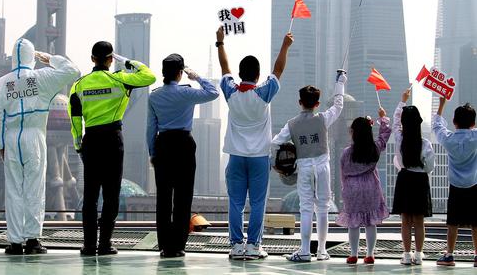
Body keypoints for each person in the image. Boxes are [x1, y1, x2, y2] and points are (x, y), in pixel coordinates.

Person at [0, 38, 80, 255]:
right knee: (35, 189)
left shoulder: (3, 82)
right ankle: (32, 240)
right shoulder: (42, 78)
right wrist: (50, 59)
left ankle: (14, 242)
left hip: (11, 139)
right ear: (33, 56)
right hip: (35, 137)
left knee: (13, 191)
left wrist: (0, 145)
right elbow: (72, 70)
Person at [68, 41, 156, 256]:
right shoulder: (120, 79)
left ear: (91, 59)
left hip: (91, 140)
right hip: (112, 140)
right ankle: (105, 244)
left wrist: (79, 145)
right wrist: (124, 60)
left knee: (90, 196)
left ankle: (89, 245)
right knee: (111, 195)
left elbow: (75, 119)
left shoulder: (79, 85)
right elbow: (149, 76)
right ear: (110, 59)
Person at [217, 26, 294, 260]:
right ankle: (253, 246)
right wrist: (285, 46)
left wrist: (220, 42)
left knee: (236, 203)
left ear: (240, 74)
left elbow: (224, 68)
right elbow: (278, 70)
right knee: (258, 203)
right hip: (259, 158)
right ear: (258, 76)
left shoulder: (231, 91)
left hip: (236, 157)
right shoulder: (263, 93)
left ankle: (236, 245)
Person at [147, 54, 219, 258]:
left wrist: (153, 152)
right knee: (183, 197)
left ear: (163, 73)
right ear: (180, 73)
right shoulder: (187, 93)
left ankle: (164, 246)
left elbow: (150, 127)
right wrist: (196, 77)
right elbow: (213, 93)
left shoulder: (154, 96)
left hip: (162, 145)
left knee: (163, 198)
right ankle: (178, 246)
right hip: (184, 144)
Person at [272, 71, 346, 263]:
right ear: (317, 104)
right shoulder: (322, 118)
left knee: (306, 209)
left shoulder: (292, 124)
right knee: (323, 208)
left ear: (300, 102)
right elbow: (338, 106)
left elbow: (275, 142)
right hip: (323, 166)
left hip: (304, 168)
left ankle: (304, 251)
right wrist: (340, 83)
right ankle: (321, 251)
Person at [336, 108, 392, 265]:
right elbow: (384, 136)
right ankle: (370, 254)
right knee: (370, 222)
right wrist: (383, 119)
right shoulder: (374, 148)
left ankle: (353, 254)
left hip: (352, 189)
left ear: (353, 132)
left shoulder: (347, 152)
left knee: (353, 222)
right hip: (371, 187)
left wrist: (344, 189)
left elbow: (343, 173)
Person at [391, 87, 434, 265]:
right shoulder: (425, 143)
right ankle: (418, 254)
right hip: (419, 180)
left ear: (404, 123)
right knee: (419, 221)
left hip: (405, 179)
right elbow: (430, 167)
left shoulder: (400, 138)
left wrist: (403, 100)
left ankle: (407, 254)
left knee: (405, 220)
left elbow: (394, 122)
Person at [433, 97, 477, 267]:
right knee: (476, 223)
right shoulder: (475, 137)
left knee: (452, 222)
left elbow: (437, 126)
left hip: (455, 187)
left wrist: (442, 104)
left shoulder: (449, 139)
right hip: (474, 184)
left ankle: (449, 255)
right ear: (473, 123)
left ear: (454, 121)